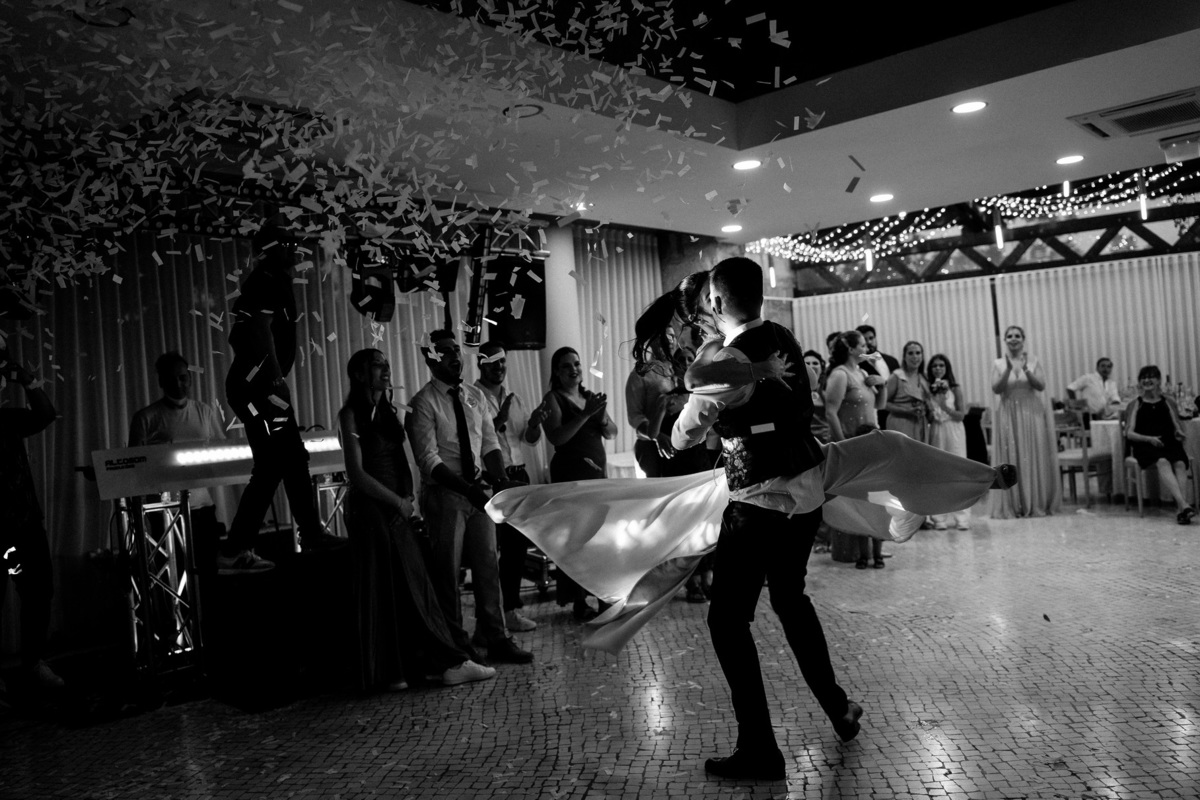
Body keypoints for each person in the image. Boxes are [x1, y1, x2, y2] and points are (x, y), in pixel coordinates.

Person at [487, 272, 1014, 655]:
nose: (699, 322)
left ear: (716, 304)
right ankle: (973, 482)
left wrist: (725, 390)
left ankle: (970, 482)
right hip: (787, 475)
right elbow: (696, 387)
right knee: (881, 454)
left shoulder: (736, 349)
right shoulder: (759, 342)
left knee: (692, 548)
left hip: (773, 480)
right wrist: (748, 373)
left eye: (704, 310)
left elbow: (698, 400)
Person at [675, 257, 863, 780]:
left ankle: (759, 747)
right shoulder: (784, 338)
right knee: (789, 598)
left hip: (759, 500)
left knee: (727, 619)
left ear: (716, 301)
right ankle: (839, 708)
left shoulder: (727, 360)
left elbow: (683, 435)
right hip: (806, 492)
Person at [339, 349, 495, 690]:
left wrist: (407, 496)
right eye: (377, 365)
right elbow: (356, 473)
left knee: (409, 587)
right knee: (390, 588)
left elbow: (401, 460)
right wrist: (397, 501)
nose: (386, 370)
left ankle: (420, 665)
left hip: (398, 509)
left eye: (386, 364)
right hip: (373, 512)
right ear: (360, 375)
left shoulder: (390, 411)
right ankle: (408, 667)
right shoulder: (350, 415)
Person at [407, 329, 534, 665]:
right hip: (445, 495)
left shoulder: (473, 396)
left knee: (488, 565)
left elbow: (489, 442)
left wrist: (501, 480)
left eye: (455, 350)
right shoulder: (422, 403)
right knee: (448, 572)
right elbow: (428, 459)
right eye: (445, 351)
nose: (455, 356)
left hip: (479, 491)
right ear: (430, 358)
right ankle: (456, 643)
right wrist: (467, 490)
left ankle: (495, 636)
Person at [222, 216, 341, 574]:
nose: (293, 247)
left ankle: (241, 546)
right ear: (268, 250)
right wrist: (274, 378)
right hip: (259, 387)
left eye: (292, 241)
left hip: (250, 386)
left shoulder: (268, 279)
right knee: (283, 460)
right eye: (284, 242)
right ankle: (305, 534)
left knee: (279, 462)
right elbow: (260, 329)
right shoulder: (267, 280)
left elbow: (243, 333)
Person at [627, 296, 716, 602]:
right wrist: (657, 435)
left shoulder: (684, 366)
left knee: (702, 513)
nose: (668, 341)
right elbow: (635, 419)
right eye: (661, 336)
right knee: (674, 517)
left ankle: (705, 573)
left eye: (670, 335)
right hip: (660, 449)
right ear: (649, 341)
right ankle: (680, 579)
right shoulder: (640, 375)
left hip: (693, 445)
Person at [0, 346, 65, 695]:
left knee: (39, 591)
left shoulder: (5, 418)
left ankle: (33, 664)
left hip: (23, 523)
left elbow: (45, 414)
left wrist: (27, 379)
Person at [540, 345, 619, 620]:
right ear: (556, 372)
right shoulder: (553, 398)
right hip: (570, 475)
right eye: (566, 366)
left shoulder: (589, 397)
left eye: (576, 363)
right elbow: (557, 437)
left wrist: (601, 416)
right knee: (576, 538)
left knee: (599, 537)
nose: (573, 369)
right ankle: (578, 599)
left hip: (596, 475)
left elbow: (612, 433)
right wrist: (585, 415)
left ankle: (603, 596)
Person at [129, 352, 226, 571]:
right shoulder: (146, 418)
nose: (179, 384)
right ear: (161, 382)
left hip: (203, 507)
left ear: (190, 378)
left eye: (183, 378)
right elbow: (135, 466)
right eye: (172, 379)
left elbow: (221, 450)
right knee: (173, 570)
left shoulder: (204, 411)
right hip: (165, 510)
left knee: (208, 569)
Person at [474, 341, 545, 633]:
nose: (499, 367)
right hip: (492, 478)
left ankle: (510, 610)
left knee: (516, 549)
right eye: (493, 363)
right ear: (481, 364)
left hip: (518, 474)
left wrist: (535, 424)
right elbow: (474, 439)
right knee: (490, 551)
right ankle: (489, 618)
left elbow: (529, 440)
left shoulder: (514, 398)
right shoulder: (472, 397)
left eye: (502, 362)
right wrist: (499, 419)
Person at [825, 330, 890, 568]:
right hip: (851, 444)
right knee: (856, 501)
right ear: (852, 349)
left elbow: (879, 404)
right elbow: (831, 412)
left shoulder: (861, 373)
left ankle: (876, 550)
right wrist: (843, 444)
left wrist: (882, 384)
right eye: (862, 345)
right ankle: (856, 552)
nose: (867, 348)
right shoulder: (840, 374)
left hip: (869, 445)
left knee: (875, 499)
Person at [990, 325, 1060, 518]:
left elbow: (1041, 385)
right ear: (1005, 340)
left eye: (1017, 336)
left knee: (1031, 454)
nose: (1013, 339)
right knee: (1011, 455)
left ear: (1023, 339)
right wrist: (1007, 370)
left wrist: (1027, 369)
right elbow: (996, 389)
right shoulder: (998, 363)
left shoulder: (1034, 361)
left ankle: (1034, 502)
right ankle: (1013, 503)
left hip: (1031, 413)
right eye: (1010, 336)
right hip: (1008, 413)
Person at [1125, 365, 1196, 524]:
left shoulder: (1168, 401)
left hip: (1168, 443)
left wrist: (1179, 432)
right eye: (1143, 377)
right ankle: (1184, 505)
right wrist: (1149, 439)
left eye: (1151, 377)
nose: (1147, 380)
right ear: (1139, 382)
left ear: (1158, 381)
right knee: (1163, 461)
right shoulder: (1136, 403)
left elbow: (1176, 425)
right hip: (1145, 444)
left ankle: (1181, 510)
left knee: (1179, 463)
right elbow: (1129, 433)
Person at [926, 353, 971, 530]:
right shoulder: (927, 389)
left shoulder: (955, 388)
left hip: (954, 429)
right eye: (935, 365)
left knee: (958, 471)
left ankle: (962, 517)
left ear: (947, 368)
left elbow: (961, 415)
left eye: (941, 365)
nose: (938, 368)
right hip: (936, 429)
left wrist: (945, 406)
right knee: (937, 472)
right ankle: (939, 518)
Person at [885, 340, 931, 443]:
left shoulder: (924, 377)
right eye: (910, 353)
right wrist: (906, 410)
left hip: (920, 424)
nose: (915, 357)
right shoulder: (896, 376)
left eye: (918, 353)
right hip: (900, 423)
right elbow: (884, 403)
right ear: (904, 357)